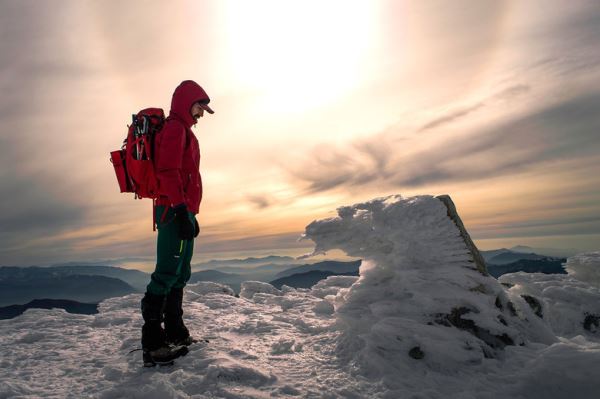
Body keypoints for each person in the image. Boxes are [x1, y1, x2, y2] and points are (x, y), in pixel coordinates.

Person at [140, 80, 214, 366]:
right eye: (199, 107)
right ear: (186, 103)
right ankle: (153, 343)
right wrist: (181, 209)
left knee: (181, 271)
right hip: (172, 210)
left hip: (183, 210)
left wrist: (189, 212)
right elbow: (167, 171)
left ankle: (175, 332)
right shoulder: (174, 128)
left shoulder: (185, 132)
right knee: (167, 271)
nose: (201, 114)